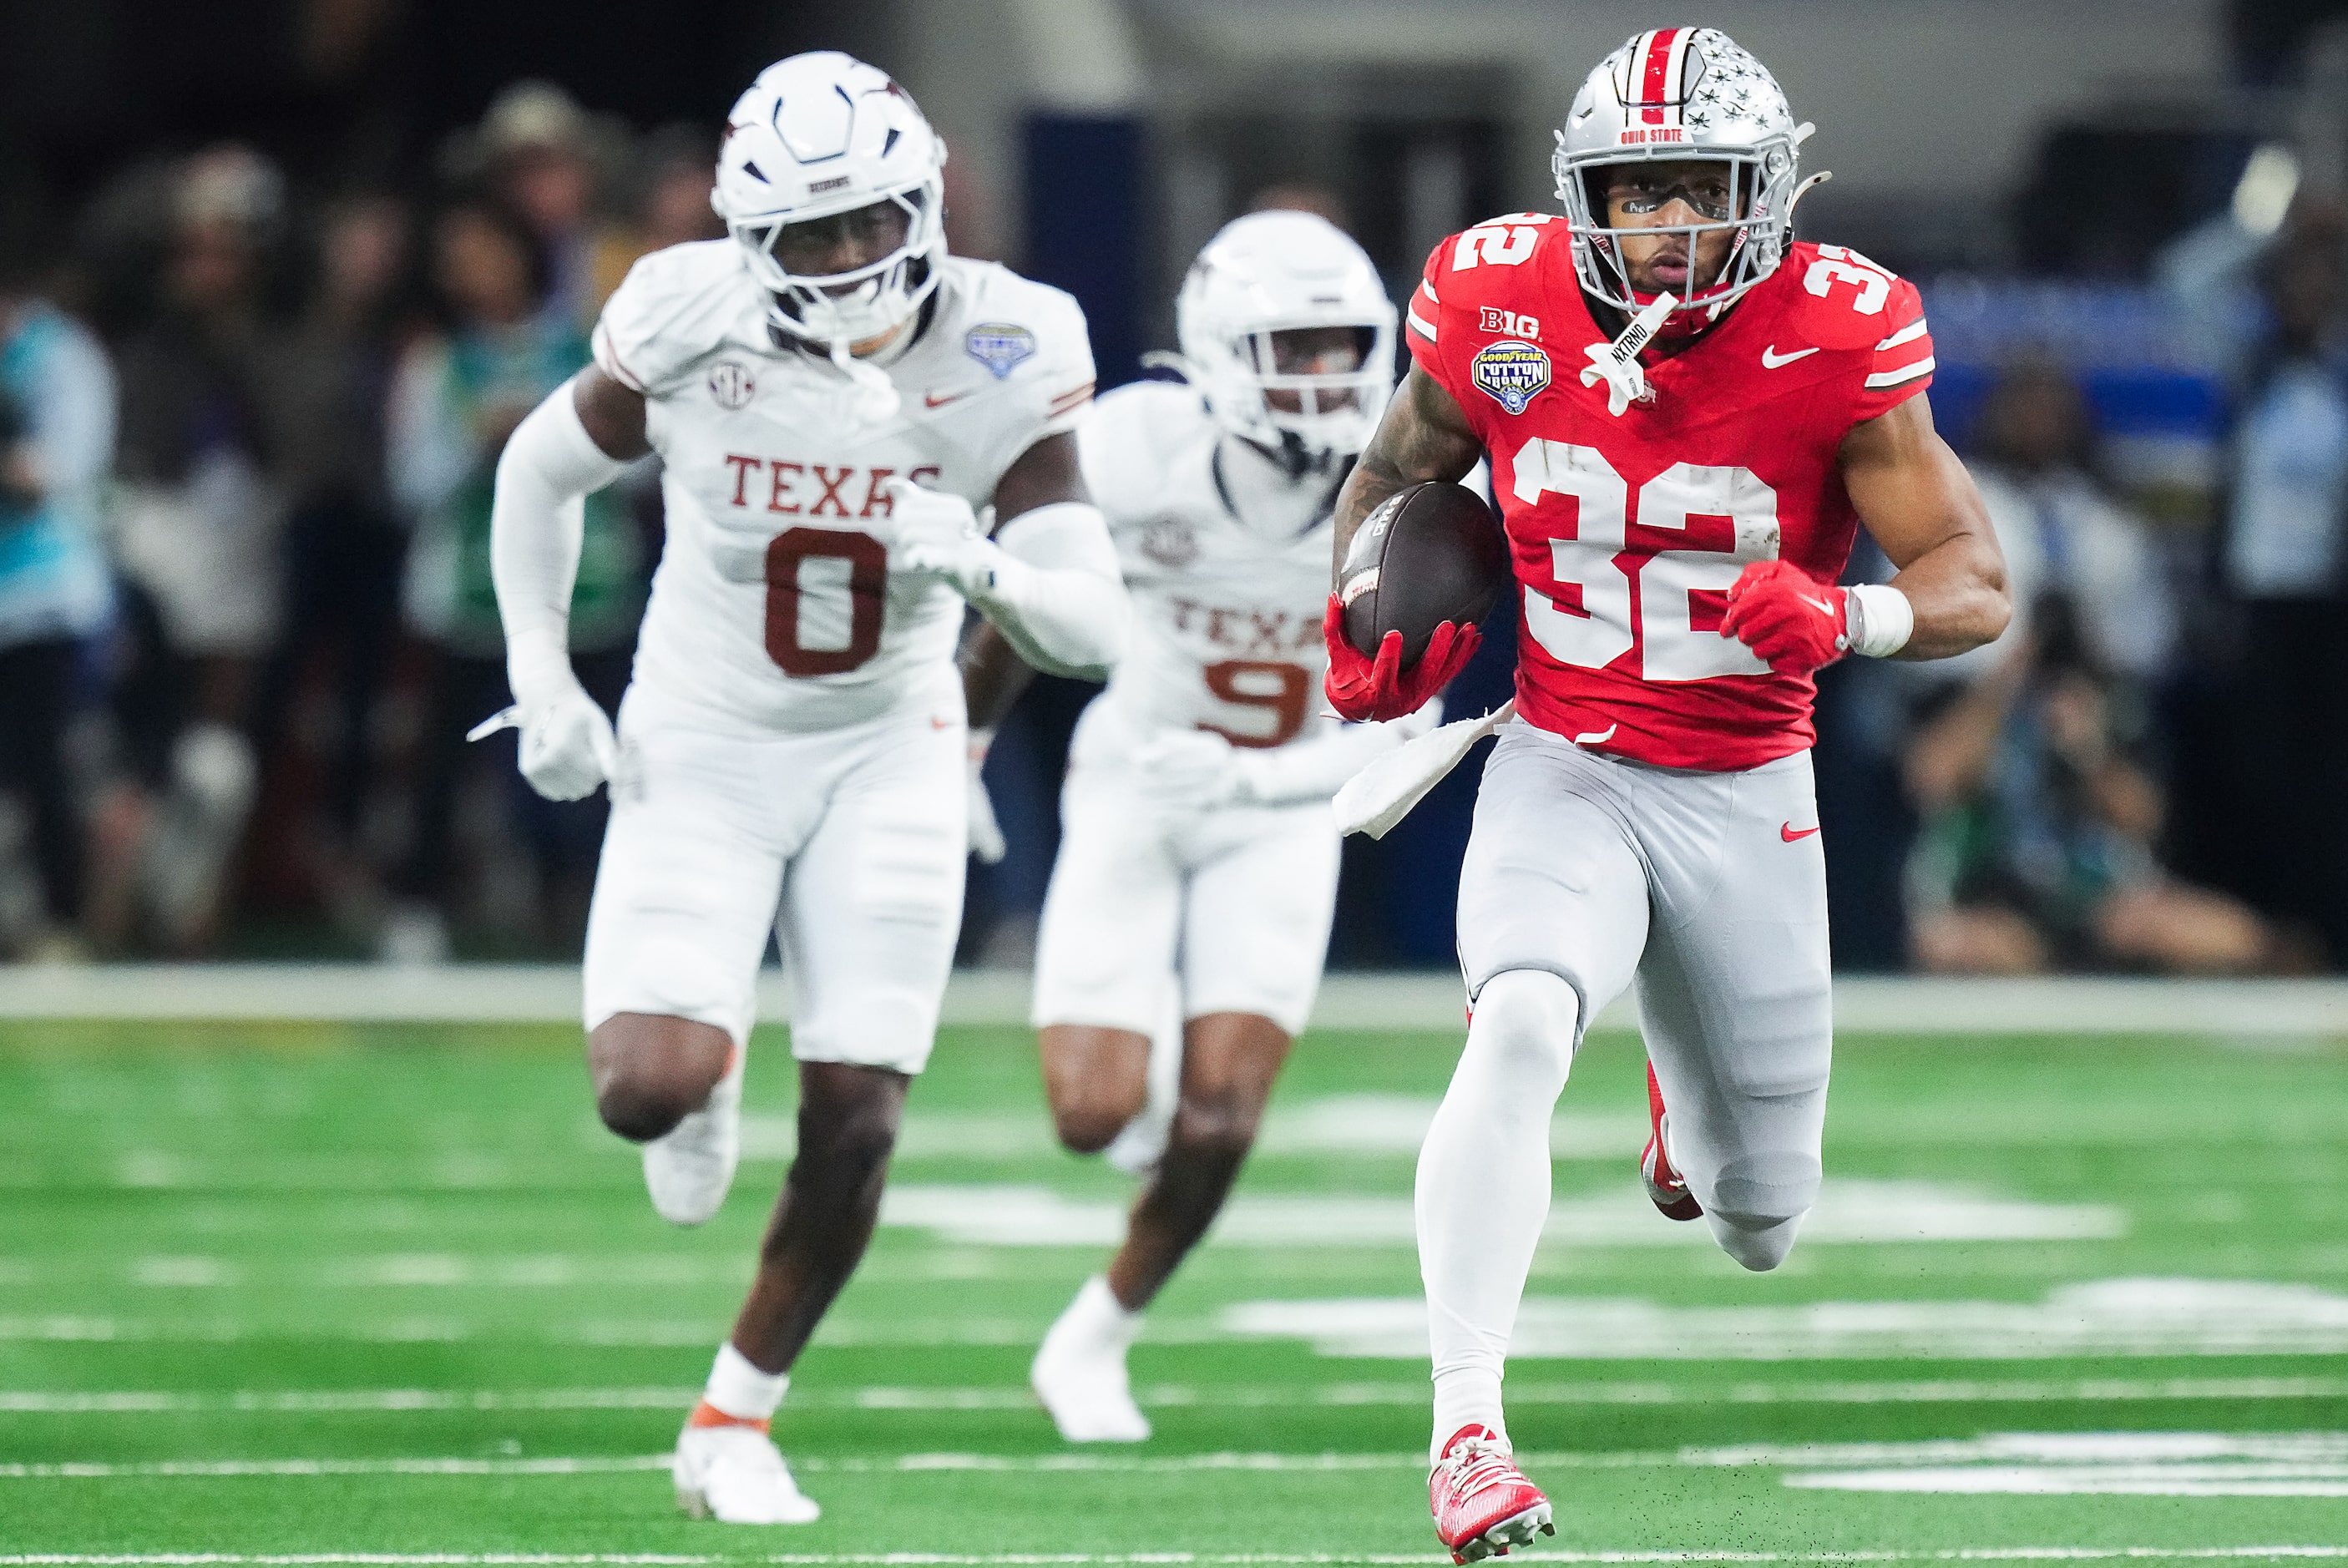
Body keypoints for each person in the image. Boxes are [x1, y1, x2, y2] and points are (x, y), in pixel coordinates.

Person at [1318, 28, 2010, 1560]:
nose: (1669, 227)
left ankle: (1682, 1117)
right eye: (1639, 195)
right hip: (1560, 755)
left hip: (1744, 781)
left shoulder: (1839, 333)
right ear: (1586, 199)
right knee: (1511, 1020)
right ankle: (1465, 1428)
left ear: (1763, 197)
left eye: (1702, 192)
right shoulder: (1497, 299)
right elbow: (1391, 473)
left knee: (1759, 1217)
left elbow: (1975, 583)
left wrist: (1852, 619)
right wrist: (1363, 615)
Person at [484, 52, 1127, 1523]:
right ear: (744, 236)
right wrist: (540, 679)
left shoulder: (1011, 340)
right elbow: (535, 474)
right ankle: (702, 1074)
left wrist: (980, 568)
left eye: (866, 224)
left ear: (923, 204)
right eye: (807, 235)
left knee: (856, 1114)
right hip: (706, 726)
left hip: (885, 735)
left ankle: (733, 1417)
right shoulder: (684, 309)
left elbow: (1093, 630)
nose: (844, 261)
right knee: (646, 1088)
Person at [962, 210, 1434, 1442]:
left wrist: (1257, 787)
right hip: (1132, 786)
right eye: (1295, 346)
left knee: (1223, 1118)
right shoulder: (1128, 448)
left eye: (1344, 348)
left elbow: (1416, 725)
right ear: (1218, 350)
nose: (1326, 379)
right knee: (1089, 1116)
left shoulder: (1418, 489)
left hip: (1280, 807)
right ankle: (1150, 1065)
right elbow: (1032, 599)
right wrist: (958, 743)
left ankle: (1098, 1334)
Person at [390, 198, 642, 958]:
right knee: (444, 757)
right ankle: (419, 909)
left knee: (616, 753)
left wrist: (564, 441)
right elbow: (408, 483)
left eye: (485, 252)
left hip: (591, 586)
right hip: (474, 594)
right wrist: (478, 444)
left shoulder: (591, 350)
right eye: (456, 258)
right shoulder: (439, 363)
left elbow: (649, 462)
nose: (471, 272)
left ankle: (610, 908)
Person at [0, 223, 117, 958]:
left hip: (46, 594)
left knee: (36, 762)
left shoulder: (60, 356)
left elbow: (59, 473)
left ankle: (63, 925)